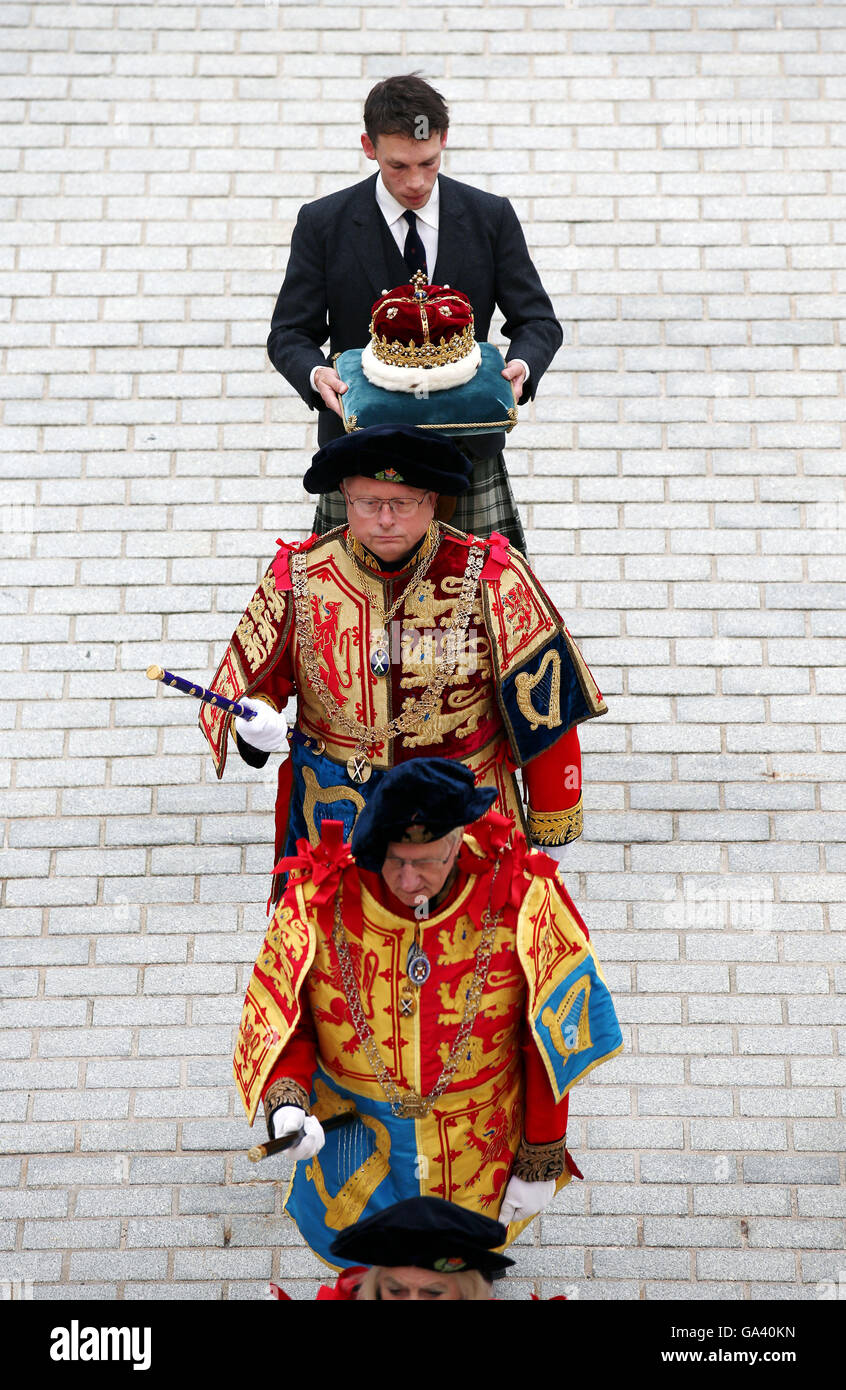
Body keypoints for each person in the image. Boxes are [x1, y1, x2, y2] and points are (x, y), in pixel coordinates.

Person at [233, 759, 623, 1269]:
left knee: (459, 1275)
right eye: (396, 860)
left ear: (458, 841)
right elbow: (290, 1022)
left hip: (476, 1153)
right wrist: (287, 1104)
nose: (409, 878)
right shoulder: (316, 903)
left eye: (428, 861)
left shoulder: (522, 899)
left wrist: (541, 1156)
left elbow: (550, 1041)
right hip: (360, 1159)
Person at [198, 426, 607, 909]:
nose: (385, 520)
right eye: (368, 503)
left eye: (403, 502)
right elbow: (255, 687)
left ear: (434, 500)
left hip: (467, 822)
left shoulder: (495, 578)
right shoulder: (298, 578)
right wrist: (254, 722)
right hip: (335, 826)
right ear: (345, 498)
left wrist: (552, 818)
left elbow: (546, 710)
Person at [266, 73, 563, 555]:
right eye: (398, 165)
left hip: (466, 452)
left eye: (428, 162)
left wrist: (520, 370)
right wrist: (316, 374)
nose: (416, 181)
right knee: (349, 620)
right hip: (361, 455)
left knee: (478, 620)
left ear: (444, 139)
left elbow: (538, 322)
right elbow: (289, 334)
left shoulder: (491, 217)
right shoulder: (323, 224)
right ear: (368, 146)